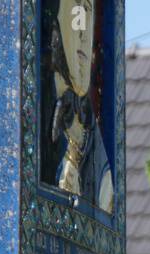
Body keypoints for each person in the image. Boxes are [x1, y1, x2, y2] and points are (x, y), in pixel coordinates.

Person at [45, 0, 113, 213]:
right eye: (77, 9)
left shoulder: (97, 153)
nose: (84, 33)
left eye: (88, 10)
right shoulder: (38, 117)